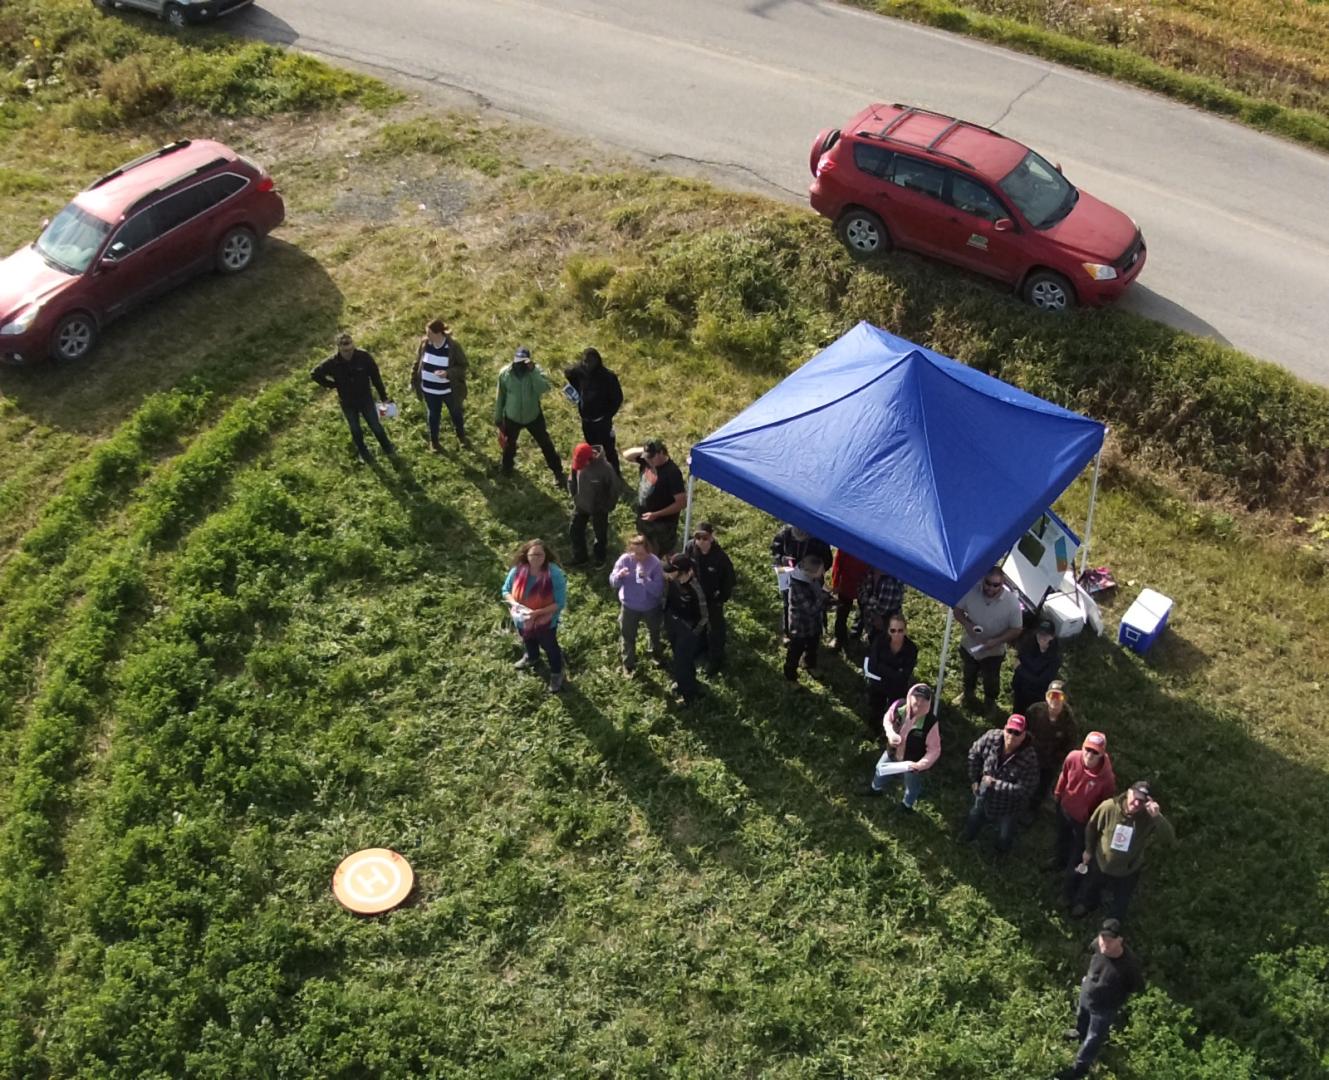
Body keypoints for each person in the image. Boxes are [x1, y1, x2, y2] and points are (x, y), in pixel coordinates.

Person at [1066, 780, 1175, 921]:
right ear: (1128, 793)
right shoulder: (1109, 807)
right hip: (1101, 863)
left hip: (1128, 869)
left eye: (1141, 802)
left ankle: (1112, 926)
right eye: (1135, 798)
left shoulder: (1148, 817)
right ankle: (1086, 904)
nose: (1136, 804)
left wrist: (1157, 817)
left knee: (1121, 900)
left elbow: (1168, 839)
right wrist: (1088, 849)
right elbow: (1092, 828)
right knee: (1091, 885)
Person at [1052, 919, 1144, 1080]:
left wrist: (1114, 997)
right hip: (1087, 994)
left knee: (1094, 1037)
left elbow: (1135, 986)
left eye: (1109, 941)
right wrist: (1087, 980)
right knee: (1082, 1014)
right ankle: (1079, 1032)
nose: (1104, 944)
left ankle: (1079, 1069)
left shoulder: (1129, 965)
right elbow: (1092, 953)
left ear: (1120, 940)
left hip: (1104, 1008)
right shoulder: (1098, 944)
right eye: (1102, 938)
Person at [311, 332, 396, 463]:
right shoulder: (332, 363)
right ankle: (363, 453)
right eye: (345, 348)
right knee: (355, 429)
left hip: (365, 399)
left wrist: (383, 396)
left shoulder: (364, 357)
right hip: (347, 402)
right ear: (338, 347)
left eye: (350, 346)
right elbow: (315, 374)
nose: (349, 351)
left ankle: (388, 449)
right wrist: (331, 385)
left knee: (376, 426)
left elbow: (376, 377)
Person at [960, 714, 1039, 853]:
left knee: (1005, 832)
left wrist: (996, 784)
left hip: (1009, 806)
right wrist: (974, 780)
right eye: (1010, 731)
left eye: (1017, 733)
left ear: (1024, 735)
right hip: (983, 792)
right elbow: (974, 754)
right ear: (1004, 729)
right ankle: (967, 836)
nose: (1012, 736)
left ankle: (1001, 853)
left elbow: (1026, 790)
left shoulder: (1029, 758)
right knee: (975, 814)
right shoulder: (991, 737)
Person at [953, 566, 1024, 714]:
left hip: (994, 651)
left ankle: (990, 701)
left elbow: (1017, 629)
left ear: (1002, 583)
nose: (990, 587)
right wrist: (967, 624)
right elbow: (957, 610)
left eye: (996, 585)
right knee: (968, 672)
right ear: (982, 580)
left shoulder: (1011, 603)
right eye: (988, 583)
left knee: (991, 679)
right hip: (970, 645)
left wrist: (996, 641)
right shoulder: (971, 592)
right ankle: (968, 694)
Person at [500, 538, 568, 693]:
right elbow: (505, 590)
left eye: (540, 555)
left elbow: (559, 603)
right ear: (526, 555)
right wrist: (515, 605)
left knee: (551, 648)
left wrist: (537, 613)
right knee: (527, 639)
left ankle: (557, 673)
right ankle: (532, 657)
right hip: (523, 619)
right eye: (533, 554)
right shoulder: (517, 571)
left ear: (546, 556)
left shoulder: (554, 574)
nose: (536, 558)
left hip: (545, 621)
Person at [495, 346, 566, 488]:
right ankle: (507, 468)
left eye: (524, 361)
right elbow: (500, 396)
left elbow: (544, 388)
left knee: (545, 444)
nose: (520, 364)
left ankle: (558, 472)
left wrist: (533, 372)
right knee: (509, 445)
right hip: (512, 417)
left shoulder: (536, 371)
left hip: (533, 416)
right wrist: (498, 418)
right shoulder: (505, 374)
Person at [861, 684, 939, 811]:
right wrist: (890, 734)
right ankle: (875, 789)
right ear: (910, 696)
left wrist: (921, 764)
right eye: (916, 697)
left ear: (929, 701)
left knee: (912, 785)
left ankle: (907, 805)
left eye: (924, 699)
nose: (919, 702)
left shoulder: (931, 722)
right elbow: (887, 719)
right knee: (880, 769)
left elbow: (934, 749)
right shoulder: (899, 705)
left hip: (912, 763)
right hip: (892, 752)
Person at [1050, 732, 1117, 873]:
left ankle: (1071, 872)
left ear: (1102, 754)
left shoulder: (1107, 778)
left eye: (1095, 752)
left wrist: (1091, 821)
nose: (1090, 755)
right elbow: (1064, 775)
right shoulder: (1073, 757)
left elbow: (1104, 804)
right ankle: (1058, 861)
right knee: (1062, 836)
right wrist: (1058, 793)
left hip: (1082, 821)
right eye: (1087, 749)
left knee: (1077, 846)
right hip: (1064, 808)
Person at [608, 535, 666, 675]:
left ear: (648, 551)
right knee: (627, 635)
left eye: (642, 554)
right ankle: (628, 663)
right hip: (629, 605)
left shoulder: (655, 563)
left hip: (650, 606)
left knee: (654, 631)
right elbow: (613, 581)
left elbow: (659, 590)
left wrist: (646, 579)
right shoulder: (624, 560)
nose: (638, 557)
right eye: (635, 553)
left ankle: (656, 654)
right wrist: (619, 576)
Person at [684, 522, 736, 674]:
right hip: (696, 595)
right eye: (697, 537)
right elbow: (686, 566)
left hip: (713, 599)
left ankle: (716, 659)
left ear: (712, 537)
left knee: (715, 629)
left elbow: (729, 581)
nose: (701, 541)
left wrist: (721, 599)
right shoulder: (690, 548)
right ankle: (700, 649)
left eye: (705, 537)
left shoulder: (721, 558)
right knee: (698, 624)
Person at [410, 318, 468, 450]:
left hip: (448, 390)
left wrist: (448, 373)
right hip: (429, 390)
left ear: (438, 334)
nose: (427, 336)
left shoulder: (453, 346)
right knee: (433, 416)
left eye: (429, 333)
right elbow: (417, 362)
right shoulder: (425, 344)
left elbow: (463, 366)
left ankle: (461, 437)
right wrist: (413, 379)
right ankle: (434, 442)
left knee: (456, 413)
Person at [563, 347, 623, 474]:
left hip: (603, 421)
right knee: (592, 448)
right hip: (586, 420)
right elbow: (568, 372)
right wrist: (575, 390)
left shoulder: (608, 377)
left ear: (598, 361)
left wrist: (608, 416)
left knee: (609, 449)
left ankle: (616, 474)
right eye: (585, 362)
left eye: (591, 362)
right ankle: (596, 472)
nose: (588, 365)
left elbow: (617, 399)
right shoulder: (580, 370)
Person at [624, 439, 686, 557]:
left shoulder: (672, 473)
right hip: (644, 518)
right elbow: (626, 455)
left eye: (652, 457)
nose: (648, 460)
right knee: (644, 547)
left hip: (662, 525)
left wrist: (656, 514)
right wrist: (645, 450)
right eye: (647, 457)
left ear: (662, 453)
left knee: (657, 554)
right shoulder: (647, 460)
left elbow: (681, 503)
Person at [771, 525, 833, 639]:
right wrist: (781, 559)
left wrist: (814, 568)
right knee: (788, 602)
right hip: (788, 574)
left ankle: (818, 631)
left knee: (816, 600)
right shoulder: (785, 534)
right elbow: (775, 550)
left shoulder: (819, 538)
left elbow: (828, 560)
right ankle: (788, 632)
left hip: (812, 577)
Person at [662, 553, 709, 704]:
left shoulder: (696, 590)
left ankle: (689, 697)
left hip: (688, 630)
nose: (668, 575)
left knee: (683, 661)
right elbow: (668, 598)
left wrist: (693, 633)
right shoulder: (673, 580)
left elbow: (704, 616)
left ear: (685, 572)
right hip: (673, 623)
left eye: (673, 572)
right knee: (678, 658)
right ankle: (684, 683)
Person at [1026, 679, 1078, 814]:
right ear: (1046, 696)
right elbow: (1025, 731)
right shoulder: (1034, 711)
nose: (1055, 700)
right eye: (1052, 695)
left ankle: (1032, 810)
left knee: (1041, 787)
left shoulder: (1069, 722)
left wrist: (1055, 759)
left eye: (1059, 696)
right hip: (1029, 754)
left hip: (1050, 762)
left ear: (1065, 699)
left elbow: (1070, 745)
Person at [863, 612, 918, 737]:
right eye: (893, 630)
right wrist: (895, 671)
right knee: (875, 708)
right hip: (878, 685)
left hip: (897, 687)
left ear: (905, 630)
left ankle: (890, 733)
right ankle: (874, 730)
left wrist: (882, 668)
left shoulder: (911, 649)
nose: (897, 634)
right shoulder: (880, 641)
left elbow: (904, 675)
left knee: (895, 712)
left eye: (900, 630)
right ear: (888, 630)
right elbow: (872, 666)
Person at [567, 442, 618, 567]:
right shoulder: (578, 462)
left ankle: (600, 558)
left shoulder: (606, 469)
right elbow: (572, 477)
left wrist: (608, 506)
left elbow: (614, 490)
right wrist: (573, 493)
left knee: (600, 534)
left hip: (599, 508)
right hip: (581, 504)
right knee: (575, 530)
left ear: (591, 458)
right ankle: (580, 557)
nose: (580, 467)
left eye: (583, 464)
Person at [783, 553, 830, 683]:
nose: (822, 574)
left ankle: (810, 664)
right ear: (809, 572)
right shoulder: (797, 585)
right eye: (820, 571)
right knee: (795, 650)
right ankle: (790, 675)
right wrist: (823, 600)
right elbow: (810, 609)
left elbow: (819, 591)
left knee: (813, 645)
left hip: (813, 624)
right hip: (800, 626)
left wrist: (826, 594)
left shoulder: (812, 579)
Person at [1012, 618, 1062, 714]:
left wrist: (1020, 670)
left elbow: (1041, 681)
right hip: (1020, 691)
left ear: (1052, 636)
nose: (1042, 637)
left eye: (1046, 635)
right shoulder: (1027, 646)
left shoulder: (1055, 658)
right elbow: (1018, 664)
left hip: (1037, 696)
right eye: (1040, 634)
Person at [828, 548, 870, 651]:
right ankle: (839, 637)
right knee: (842, 611)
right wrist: (836, 582)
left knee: (864, 612)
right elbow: (837, 563)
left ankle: (855, 635)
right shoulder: (847, 543)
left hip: (866, 583)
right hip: (846, 582)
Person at [857, 564, 905, 642]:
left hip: (885, 624)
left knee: (883, 645)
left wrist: (876, 615)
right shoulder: (871, 572)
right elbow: (861, 591)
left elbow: (884, 607)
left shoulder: (891, 580)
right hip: (871, 621)